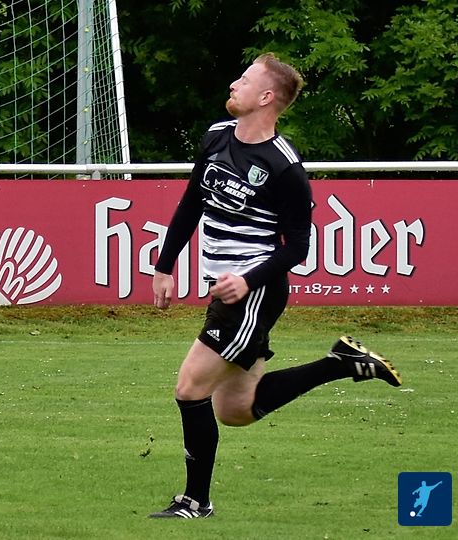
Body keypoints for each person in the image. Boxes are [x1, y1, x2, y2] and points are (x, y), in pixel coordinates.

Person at [148, 53, 403, 519]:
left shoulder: (285, 168)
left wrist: (247, 279)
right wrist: (164, 266)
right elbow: (191, 203)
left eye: (245, 79)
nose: (234, 83)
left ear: (266, 97)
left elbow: (298, 248)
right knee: (235, 410)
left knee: (189, 388)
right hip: (226, 290)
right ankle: (340, 363)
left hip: (254, 295)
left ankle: (196, 501)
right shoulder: (216, 136)